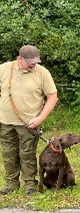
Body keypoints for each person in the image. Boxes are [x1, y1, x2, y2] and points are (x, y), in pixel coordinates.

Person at [0, 45, 58, 195]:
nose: (34, 64)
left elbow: (52, 96)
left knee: (27, 154)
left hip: (29, 124)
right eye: (30, 62)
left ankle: (30, 184)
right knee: (8, 154)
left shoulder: (42, 73)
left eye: (36, 61)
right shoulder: (5, 69)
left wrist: (40, 118)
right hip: (5, 121)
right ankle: (11, 184)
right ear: (19, 59)